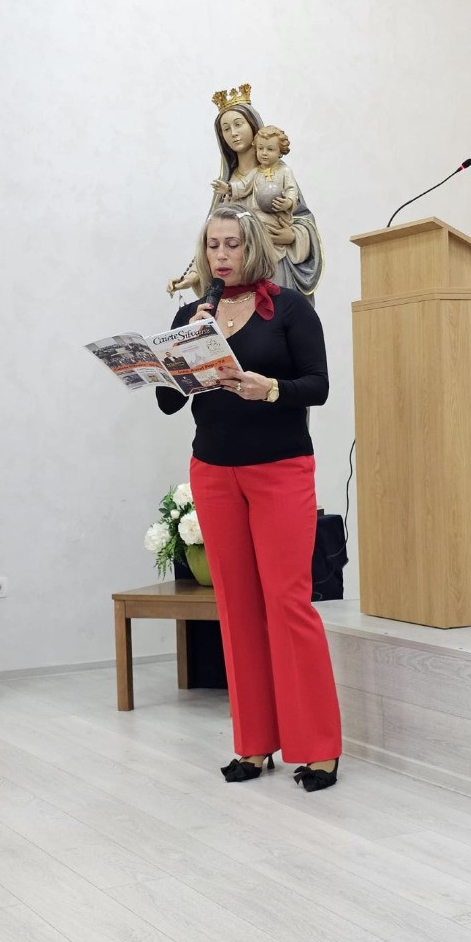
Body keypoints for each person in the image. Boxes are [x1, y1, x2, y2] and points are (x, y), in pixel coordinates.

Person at [156, 203, 342, 791]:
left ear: (253, 247)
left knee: (287, 603)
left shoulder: (289, 308)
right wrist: (174, 359)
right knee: (236, 607)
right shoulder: (192, 315)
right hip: (213, 472)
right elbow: (168, 403)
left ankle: (318, 748)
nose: (221, 255)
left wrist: (272, 389)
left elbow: (319, 385)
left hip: (280, 469)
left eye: (232, 244)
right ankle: (254, 744)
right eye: (213, 245)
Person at [166, 86, 324, 302]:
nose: (233, 133)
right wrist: (193, 275)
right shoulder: (227, 184)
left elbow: (302, 219)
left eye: (238, 124)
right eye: (226, 129)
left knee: (274, 317)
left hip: (273, 266)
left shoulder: (277, 174)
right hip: (236, 277)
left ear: (253, 126)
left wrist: (293, 236)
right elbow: (213, 234)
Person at [212, 125, 298, 260]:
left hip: (276, 215)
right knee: (248, 225)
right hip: (257, 215)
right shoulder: (256, 172)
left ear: (280, 152)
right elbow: (243, 186)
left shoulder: (284, 171)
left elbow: (291, 189)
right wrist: (228, 188)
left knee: (253, 228)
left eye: (270, 149)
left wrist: (288, 202)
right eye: (260, 148)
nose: (264, 153)